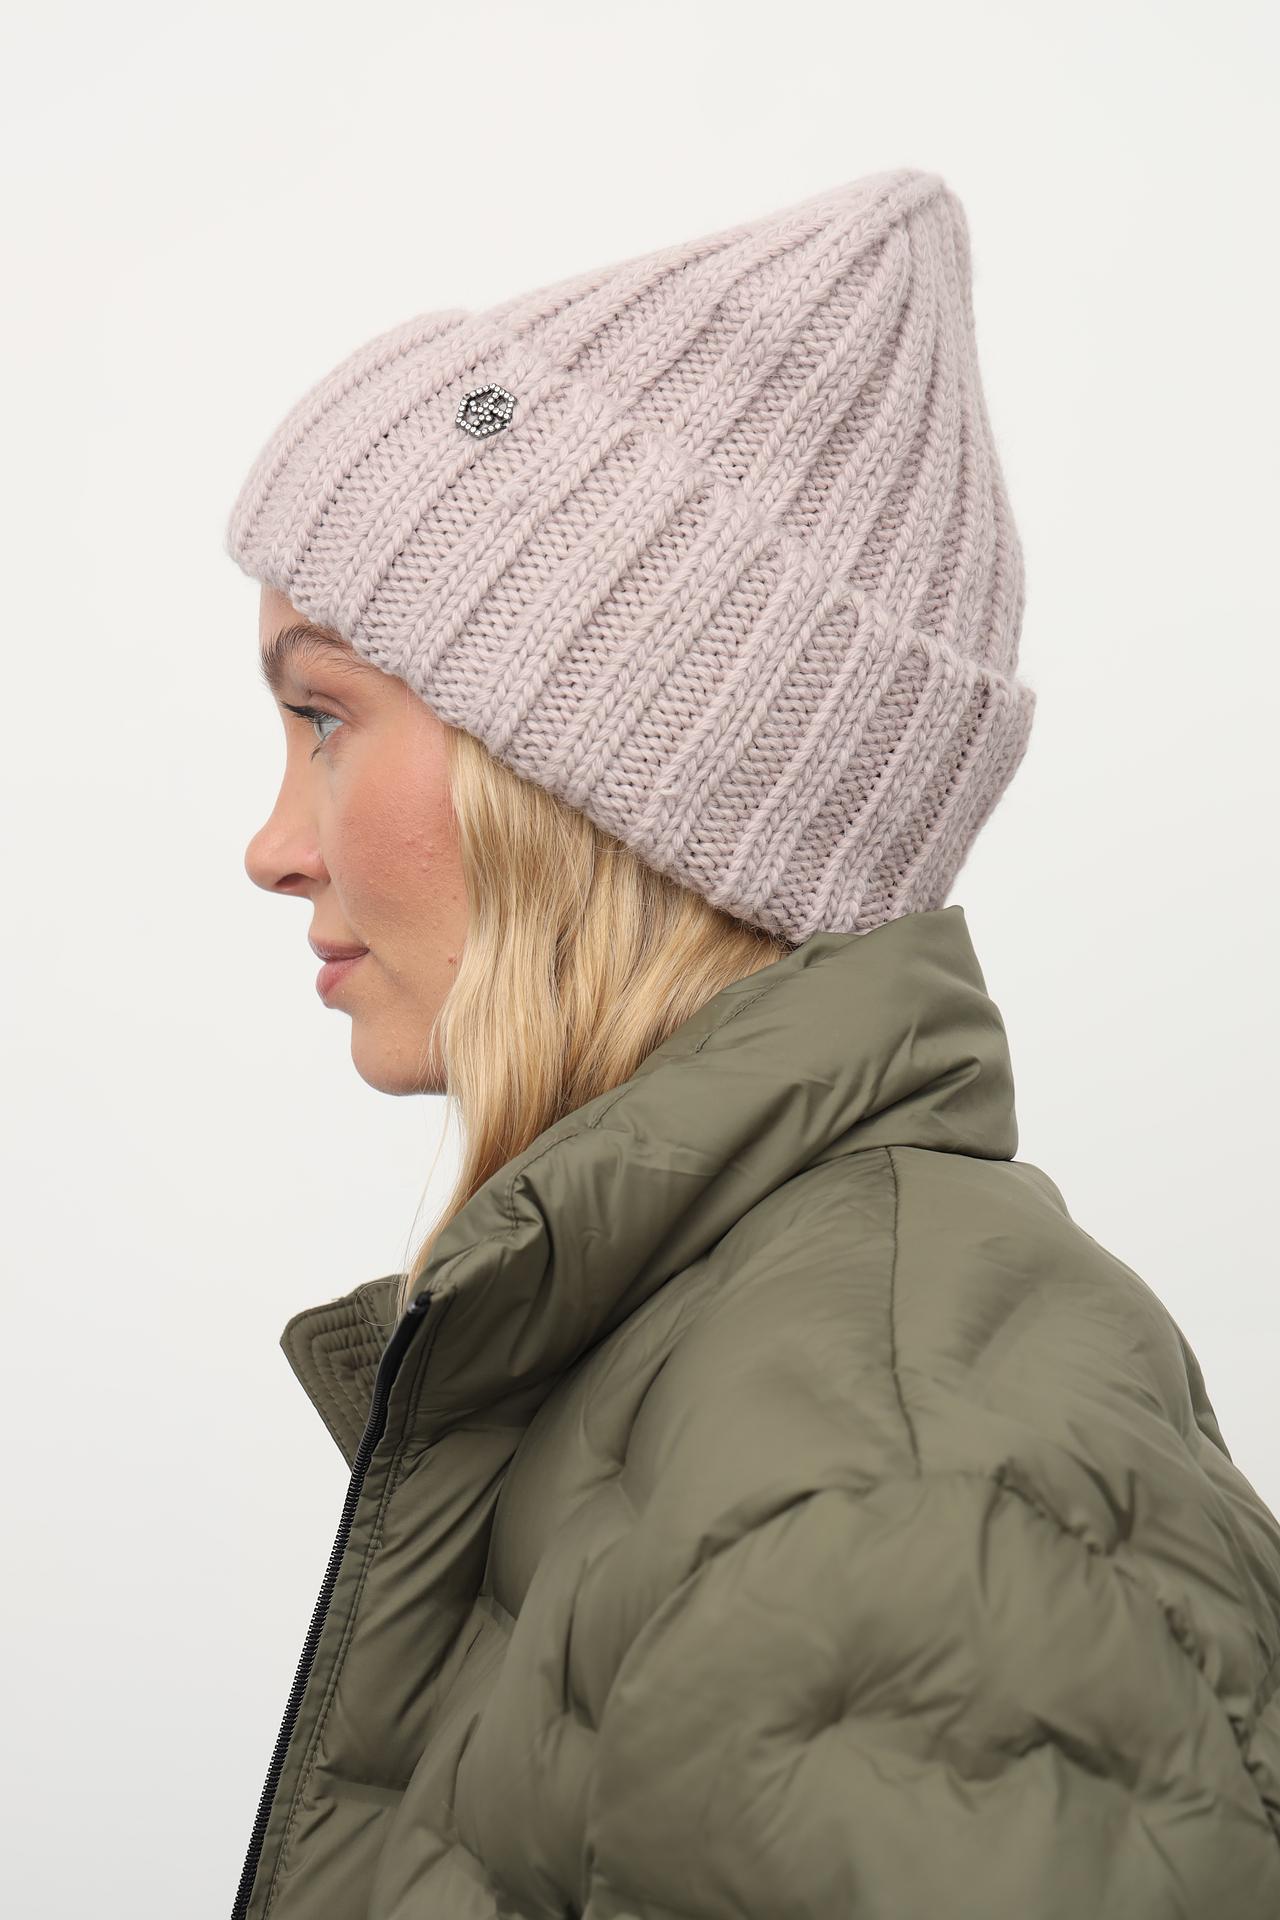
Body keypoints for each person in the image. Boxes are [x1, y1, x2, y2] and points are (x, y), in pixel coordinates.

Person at [224, 168, 1280, 1920]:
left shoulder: (889, 1503)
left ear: (591, 775)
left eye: (323, 714)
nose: (274, 846)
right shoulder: (705, 1371)